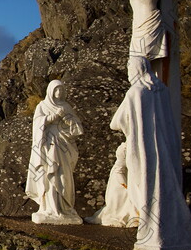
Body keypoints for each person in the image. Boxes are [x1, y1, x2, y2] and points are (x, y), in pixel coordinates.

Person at [109, 56, 191, 250]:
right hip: (164, 148)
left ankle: (152, 232)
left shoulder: (136, 92)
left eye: (129, 68)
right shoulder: (161, 91)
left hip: (143, 151)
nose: (128, 72)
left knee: (145, 188)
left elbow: (116, 122)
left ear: (136, 68)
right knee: (167, 188)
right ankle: (177, 232)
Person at [25, 80, 84, 225]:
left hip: (64, 145)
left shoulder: (66, 106)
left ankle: (64, 208)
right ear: (51, 91)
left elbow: (77, 128)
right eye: (57, 90)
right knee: (50, 175)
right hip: (49, 145)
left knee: (64, 176)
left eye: (62, 90)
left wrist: (66, 118)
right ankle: (50, 208)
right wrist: (54, 117)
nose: (60, 93)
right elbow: (38, 124)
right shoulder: (43, 106)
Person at [85, 142, 137, 227]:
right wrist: (125, 185)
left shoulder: (126, 148)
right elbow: (120, 171)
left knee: (117, 199)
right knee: (116, 198)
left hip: (119, 177)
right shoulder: (125, 150)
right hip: (118, 179)